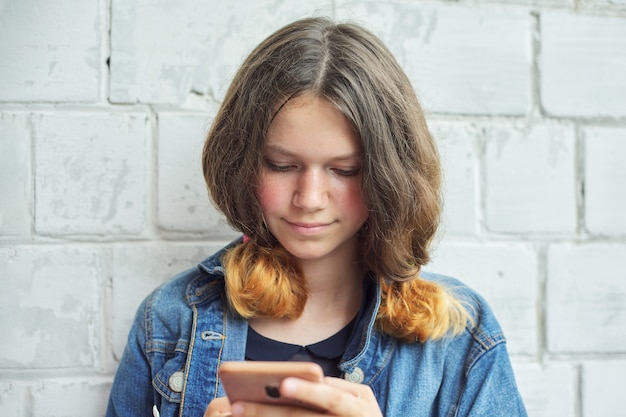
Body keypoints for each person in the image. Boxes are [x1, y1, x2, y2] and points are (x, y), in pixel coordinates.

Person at [106, 17, 527, 417]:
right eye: (281, 164)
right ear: (243, 163)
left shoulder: (456, 336)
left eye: (344, 171)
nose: (309, 199)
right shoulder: (170, 321)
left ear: (389, 176)